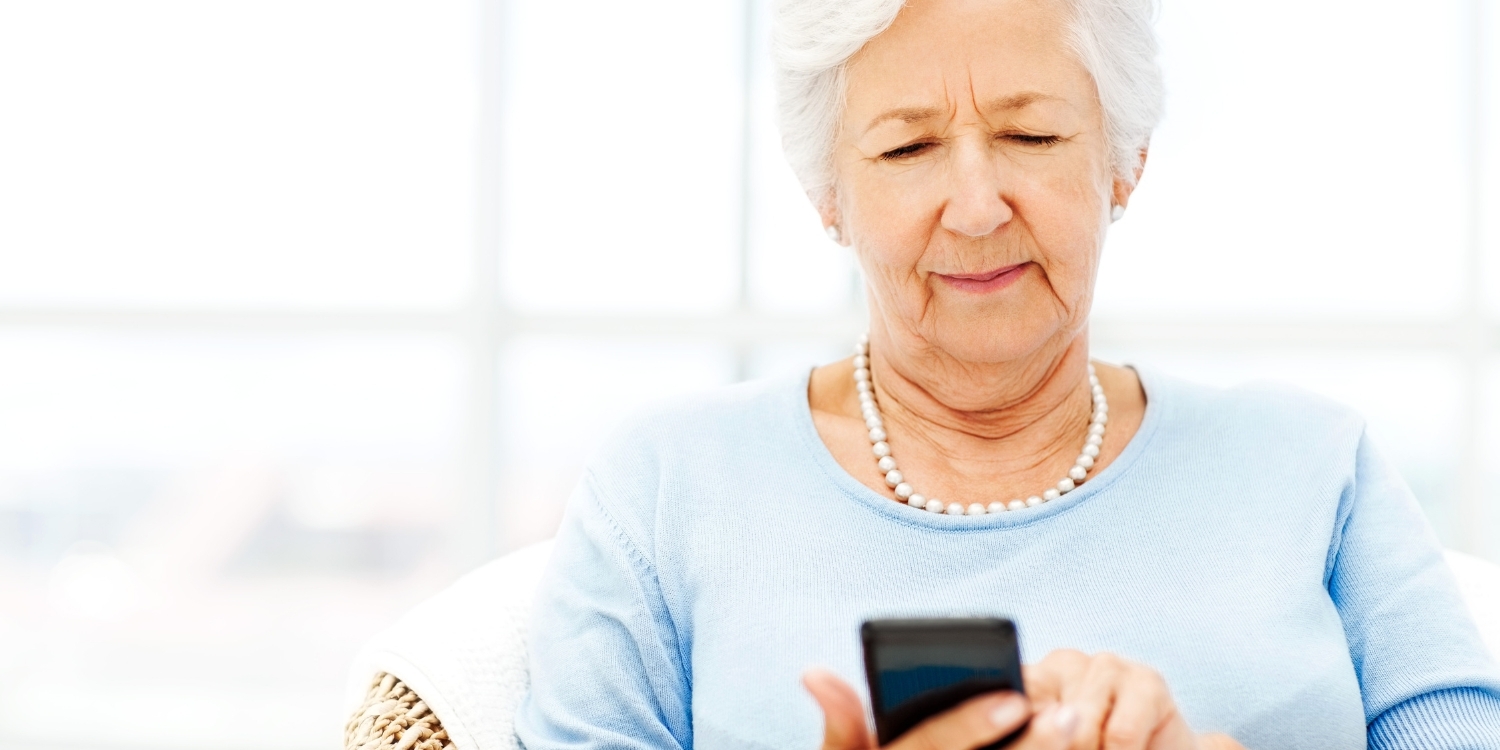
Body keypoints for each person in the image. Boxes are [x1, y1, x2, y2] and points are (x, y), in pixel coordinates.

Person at [514, 0, 1500, 747]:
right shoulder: (665, 485)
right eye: (907, 146)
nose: (977, 205)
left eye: (1032, 135)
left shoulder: (1316, 464)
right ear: (829, 194)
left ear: (1124, 163)